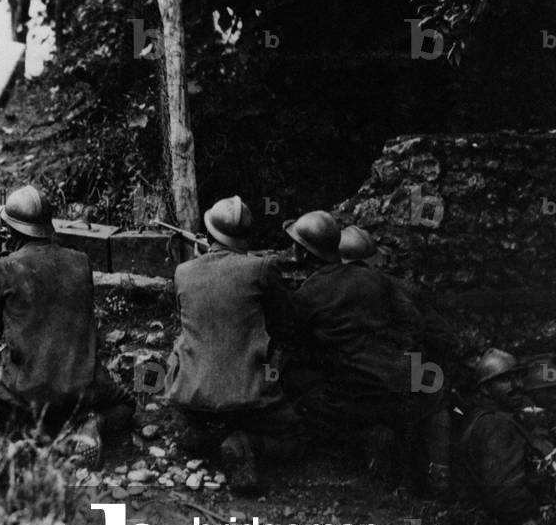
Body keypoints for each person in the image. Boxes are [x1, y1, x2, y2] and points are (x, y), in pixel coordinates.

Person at [273, 211, 435, 487]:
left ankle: (360, 441)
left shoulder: (308, 294)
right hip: (399, 392)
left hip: (350, 397)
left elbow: (290, 344)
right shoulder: (376, 280)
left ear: (302, 254)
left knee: (296, 389)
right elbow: (415, 325)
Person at [0, 186, 134, 463]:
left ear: (10, 233)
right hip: (83, 387)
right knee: (126, 404)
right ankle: (90, 423)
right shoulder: (81, 262)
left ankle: (28, 435)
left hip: (28, 394)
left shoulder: (1, 270)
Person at [164, 197, 305, 495]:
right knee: (296, 435)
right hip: (250, 396)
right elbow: (288, 326)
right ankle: (247, 442)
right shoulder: (262, 268)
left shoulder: (183, 272)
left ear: (209, 234)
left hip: (192, 392)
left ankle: (197, 433)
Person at [338, 225, 453, 495]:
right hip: (401, 372)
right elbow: (442, 336)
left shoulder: (330, 288)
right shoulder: (401, 288)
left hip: (352, 375)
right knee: (435, 400)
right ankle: (439, 474)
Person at [457, 349, 556, 525]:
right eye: (506, 380)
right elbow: (506, 497)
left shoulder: (484, 415)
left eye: (518, 378)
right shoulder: (495, 424)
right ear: (486, 388)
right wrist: (549, 519)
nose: (517, 386)